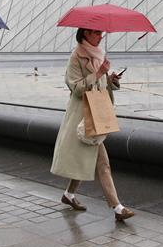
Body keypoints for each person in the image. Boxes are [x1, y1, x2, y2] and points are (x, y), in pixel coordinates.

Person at [51, 28, 133, 221]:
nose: (100, 35)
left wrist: (110, 79)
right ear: (86, 33)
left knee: (88, 159)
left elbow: (101, 84)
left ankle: (69, 195)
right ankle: (117, 208)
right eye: (96, 32)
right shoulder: (76, 57)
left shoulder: (98, 55)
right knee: (100, 163)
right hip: (83, 118)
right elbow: (77, 88)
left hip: (96, 116)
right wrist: (98, 73)